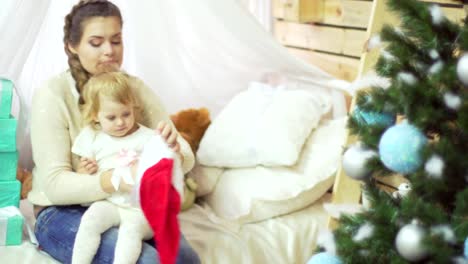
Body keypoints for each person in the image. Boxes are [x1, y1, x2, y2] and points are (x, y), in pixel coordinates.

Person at [28, 1, 199, 263]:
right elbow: (54, 186)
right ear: (72, 46)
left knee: (185, 259)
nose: (109, 51)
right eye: (96, 43)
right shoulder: (53, 95)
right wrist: (118, 179)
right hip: (60, 211)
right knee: (148, 260)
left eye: (116, 40)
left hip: (130, 205)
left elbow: (183, 158)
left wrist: (176, 149)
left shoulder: (134, 89)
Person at [71, 71, 185, 264]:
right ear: (95, 116)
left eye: (126, 114)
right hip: (110, 203)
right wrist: (84, 170)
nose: (121, 122)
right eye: (111, 117)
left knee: (129, 232)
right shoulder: (91, 136)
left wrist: (171, 153)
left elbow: (170, 166)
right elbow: (81, 178)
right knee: (90, 220)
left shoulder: (148, 137)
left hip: (140, 210)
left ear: (133, 108)